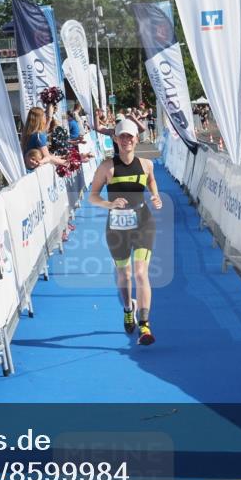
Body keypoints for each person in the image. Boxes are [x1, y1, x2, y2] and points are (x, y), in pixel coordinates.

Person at [88, 118, 163, 346]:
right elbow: (92, 196)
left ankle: (145, 324)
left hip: (143, 223)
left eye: (130, 136)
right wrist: (108, 204)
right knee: (125, 275)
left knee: (141, 273)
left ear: (136, 139)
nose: (126, 140)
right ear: (116, 140)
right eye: (122, 136)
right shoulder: (107, 167)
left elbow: (151, 181)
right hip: (117, 228)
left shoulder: (147, 164)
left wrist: (155, 196)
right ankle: (128, 308)